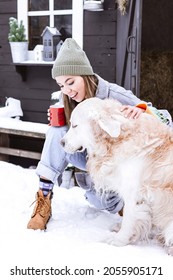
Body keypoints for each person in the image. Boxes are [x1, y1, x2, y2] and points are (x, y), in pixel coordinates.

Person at [27, 38, 172, 230]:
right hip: (90, 160)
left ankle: (129, 206)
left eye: (70, 82)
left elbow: (165, 120)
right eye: (61, 85)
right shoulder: (70, 100)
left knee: (103, 201)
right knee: (56, 131)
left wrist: (142, 109)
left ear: (85, 75)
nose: (67, 90)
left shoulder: (113, 94)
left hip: (117, 165)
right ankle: (43, 199)